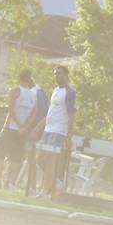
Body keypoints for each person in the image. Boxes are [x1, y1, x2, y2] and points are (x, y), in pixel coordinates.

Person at [32, 65, 76, 198]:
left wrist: (68, 133)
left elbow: (71, 114)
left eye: (59, 74)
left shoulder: (70, 92)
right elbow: (51, 111)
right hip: (48, 129)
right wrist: (39, 126)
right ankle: (56, 182)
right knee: (39, 159)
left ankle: (45, 192)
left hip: (58, 130)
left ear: (66, 75)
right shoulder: (56, 90)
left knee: (51, 161)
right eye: (55, 73)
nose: (56, 76)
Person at [0, 69, 37, 188]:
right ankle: (9, 182)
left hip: (9, 127)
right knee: (15, 157)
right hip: (22, 131)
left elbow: (11, 110)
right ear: (30, 79)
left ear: (19, 79)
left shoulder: (15, 91)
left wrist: (19, 124)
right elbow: (34, 113)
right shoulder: (34, 95)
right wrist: (25, 126)